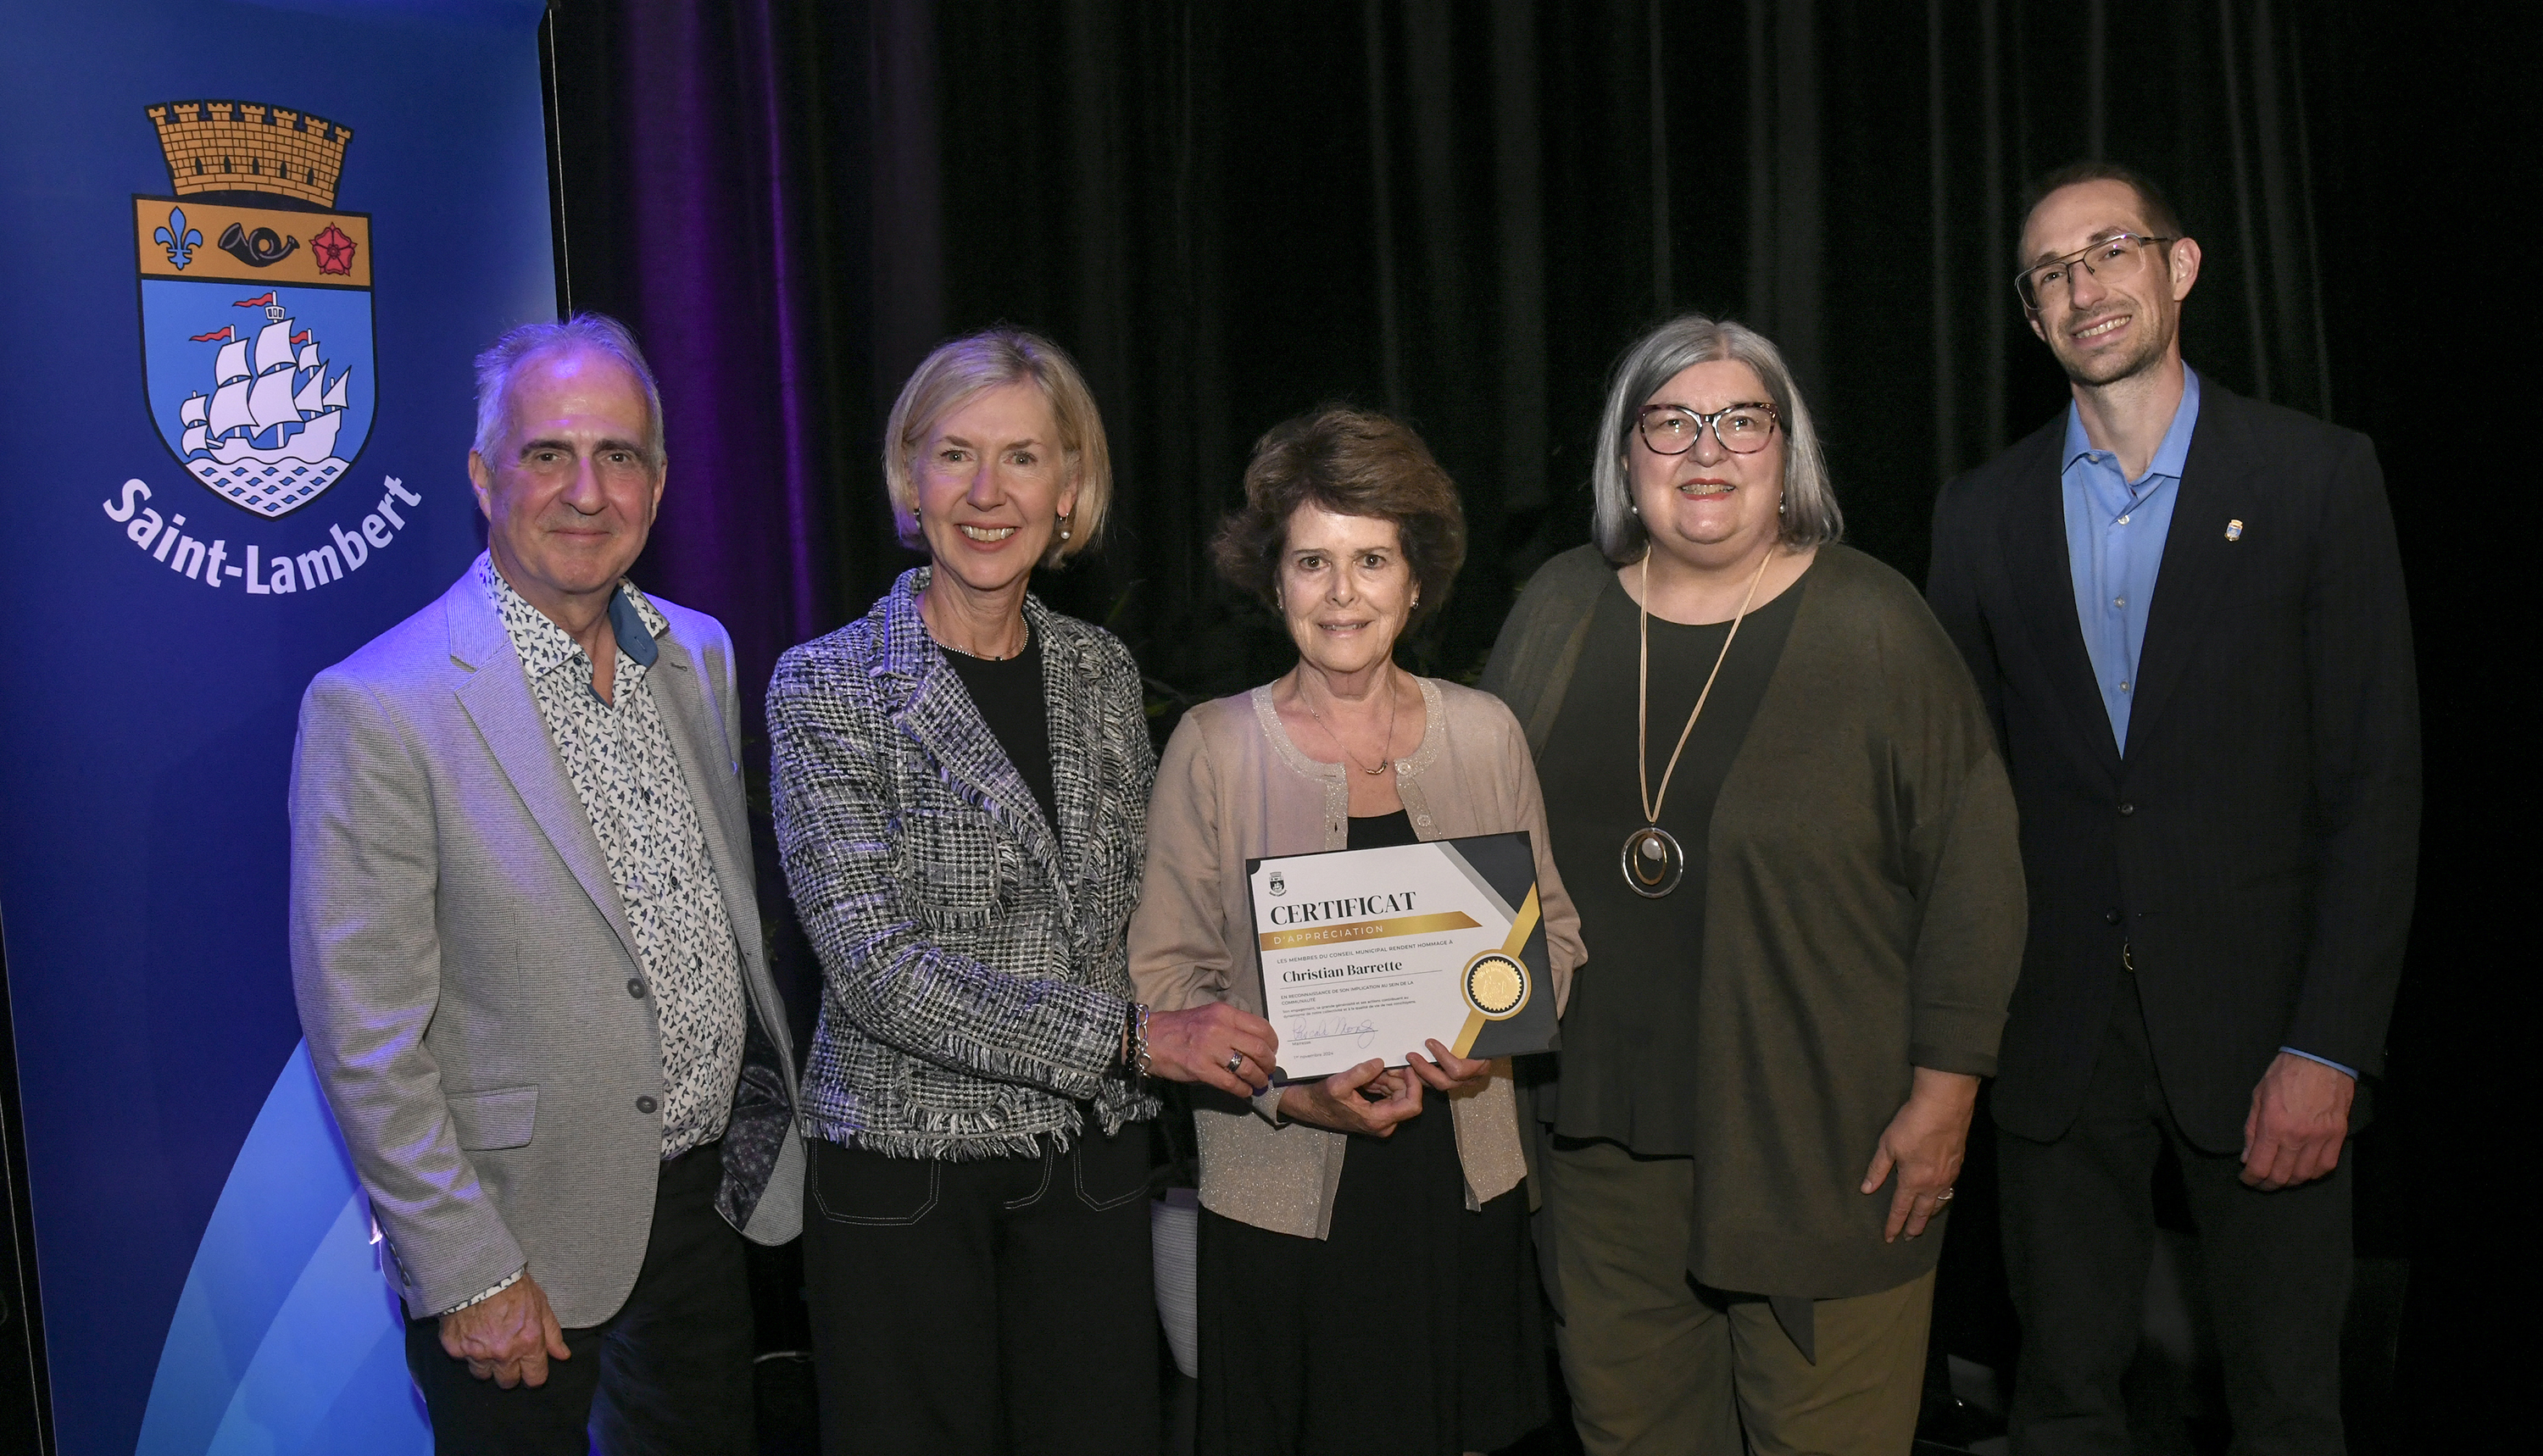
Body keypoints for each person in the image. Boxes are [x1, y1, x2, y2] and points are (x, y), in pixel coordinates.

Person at [1926, 163, 2419, 1455]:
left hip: (2270, 1035)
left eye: (2110, 251)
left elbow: (2378, 784)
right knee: (2065, 1404)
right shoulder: (1978, 517)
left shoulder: (2319, 478)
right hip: (2055, 1036)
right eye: (2052, 272)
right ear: (2032, 317)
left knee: (2289, 1410)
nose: (2085, 287)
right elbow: (1962, 804)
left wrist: (2332, 1046)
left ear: (2179, 266)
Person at [1478, 314, 2027, 1455]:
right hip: (1597, 1150)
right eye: (1670, 422)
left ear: (1789, 456)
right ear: (1627, 458)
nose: (1705, 449)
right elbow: (1475, 833)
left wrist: (1948, 1093)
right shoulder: (1557, 608)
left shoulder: (1875, 620)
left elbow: (1977, 870)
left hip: (1827, 1150)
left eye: (1741, 420)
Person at [288, 314, 803, 1453]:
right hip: (516, 1240)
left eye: (619, 455)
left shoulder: (699, 652)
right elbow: (363, 1035)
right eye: (546, 453)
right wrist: (467, 1270)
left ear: (658, 486)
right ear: (483, 476)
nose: (586, 489)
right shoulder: (380, 705)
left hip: (697, 1211)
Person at [766, 327, 1275, 1456]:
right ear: (911, 478)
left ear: (1071, 491)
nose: (988, 493)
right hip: (905, 1184)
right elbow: (880, 977)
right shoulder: (825, 684)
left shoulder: (1098, 671)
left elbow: (1153, 915)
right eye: (956, 455)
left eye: (1025, 459)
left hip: (1084, 1175)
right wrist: (1140, 1038)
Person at [1129, 404, 1585, 1456]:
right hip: (1284, 1189)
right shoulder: (1213, 747)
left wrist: (1484, 1036)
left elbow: (1554, 933)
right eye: (1312, 561)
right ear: (1272, 579)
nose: (1342, 594)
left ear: (1415, 579)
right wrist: (1291, 1092)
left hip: (1457, 1174)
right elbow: (1166, 977)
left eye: (1371, 557)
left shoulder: (1486, 733)